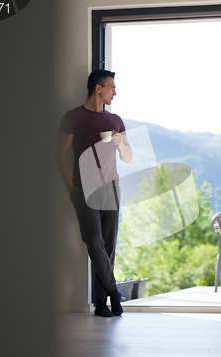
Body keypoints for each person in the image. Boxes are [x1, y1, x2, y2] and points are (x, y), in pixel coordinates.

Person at [56, 69, 132, 317]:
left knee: (108, 245)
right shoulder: (73, 117)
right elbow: (60, 155)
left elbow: (128, 158)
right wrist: (70, 189)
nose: (115, 92)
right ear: (98, 88)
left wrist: (121, 145)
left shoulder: (116, 120)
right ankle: (113, 292)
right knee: (94, 242)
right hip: (84, 189)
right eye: (112, 87)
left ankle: (101, 303)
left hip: (111, 188)